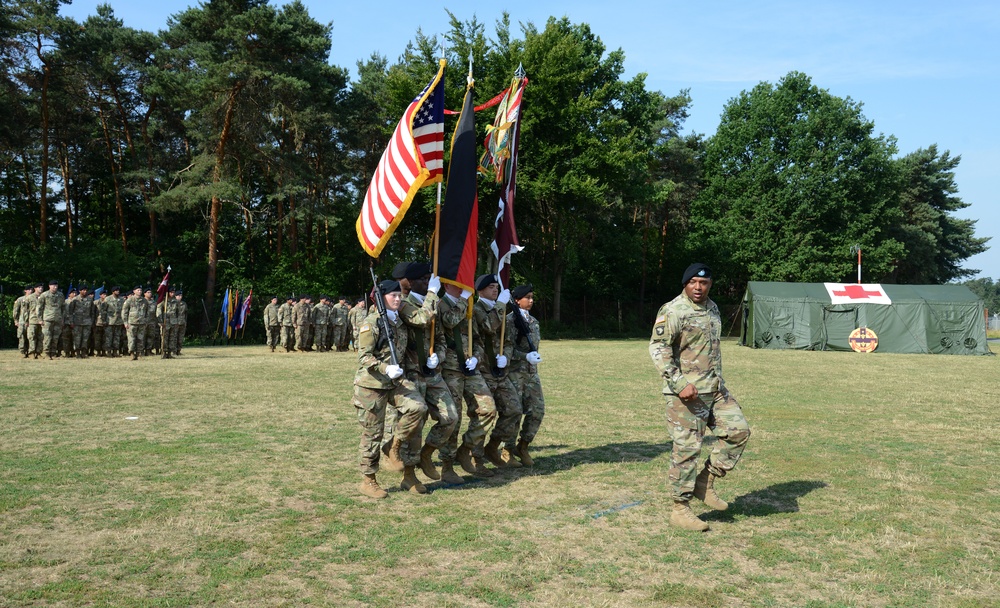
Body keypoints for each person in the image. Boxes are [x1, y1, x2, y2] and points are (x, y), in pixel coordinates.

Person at [649, 263, 751, 532]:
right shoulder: (673, 310)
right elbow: (658, 348)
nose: (698, 287)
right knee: (686, 451)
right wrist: (679, 382)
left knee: (738, 431)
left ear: (710, 285)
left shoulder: (713, 308)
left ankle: (706, 481)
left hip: (715, 389)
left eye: (703, 283)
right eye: (693, 282)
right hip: (686, 395)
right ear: (685, 283)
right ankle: (680, 509)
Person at [352, 279, 428, 498]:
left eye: (399, 295)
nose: (397, 299)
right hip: (372, 384)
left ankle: (394, 447)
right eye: (392, 296)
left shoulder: (400, 322)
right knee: (372, 434)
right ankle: (368, 480)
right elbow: (364, 357)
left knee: (418, 408)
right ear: (381, 298)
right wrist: (385, 368)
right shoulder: (372, 322)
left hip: (396, 382)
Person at [439, 282, 499, 478]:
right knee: (453, 418)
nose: (464, 288)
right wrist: (464, 300)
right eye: (459, 285)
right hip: (450, 369)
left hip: (470, 369)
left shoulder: (468, 308)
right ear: (447, 286)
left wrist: (477, 357)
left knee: (488, 409)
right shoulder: (441, 305)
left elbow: (478, 339)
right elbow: (449, 321)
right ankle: (447, 465)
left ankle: (467, 449)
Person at [472, 274, 523, 469]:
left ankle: (492, 447)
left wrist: (506, 357)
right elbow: (487, 326)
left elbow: (508, 340)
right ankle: (474, 457)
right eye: (491, 287)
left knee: (514, 409)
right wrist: (501, 306)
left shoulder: (498, 309)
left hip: (500, 372)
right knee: (484, 414)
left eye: (497, 286)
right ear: (480, 290)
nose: (495, 290)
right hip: (483, 371)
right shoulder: (476, 309)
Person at [503, 284, 545, 467]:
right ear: (517, 300)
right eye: (527, 297)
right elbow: (506, 351)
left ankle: (524, 445)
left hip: (531, 374)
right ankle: (507, 450)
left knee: (537, 411)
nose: (531, 301)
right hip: (514, 373)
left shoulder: (534, 322)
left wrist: (533, 357)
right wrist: (524, 356)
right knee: (515, 413)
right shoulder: (510, 321)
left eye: (532, 297)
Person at [36, 280, 66, 360]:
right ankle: (46, 353)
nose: (55, 287)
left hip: (58, 319)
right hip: (47, 319)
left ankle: (53, 353)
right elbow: (39, 308)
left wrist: (63, 319)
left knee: (55, 337)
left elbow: (63, 307)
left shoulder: (60, 295)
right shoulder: (44, 295)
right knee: (47, 337)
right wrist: (40, 319)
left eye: (56, 286)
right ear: (49, 286)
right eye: (53, 286)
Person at [121, 286, 147, 360]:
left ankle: (139, 353)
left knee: (140, 339)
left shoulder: (144, 301)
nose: (140, 291)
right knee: (131, 339)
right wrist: (125, 322)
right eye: (138, 290)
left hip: (141, 323)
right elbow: (124, 312)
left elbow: (147, 312)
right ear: (134, 291)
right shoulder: (129, 300)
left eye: (140, 290)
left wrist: (146, 321)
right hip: (132, 323)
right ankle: (132, 353)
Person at [70, 285, 96, 358]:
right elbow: (70, 312)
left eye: (86, 290)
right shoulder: (75, 299)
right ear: (80, 291)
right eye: (83, 290)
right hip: (77, 322)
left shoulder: (90, 300)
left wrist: (92, 321)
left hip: (87, 322)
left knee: (85, 338)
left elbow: (92, 312)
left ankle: (84, 352)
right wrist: (71, 322)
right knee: (77, 338)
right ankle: (77, 352)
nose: (85, 291)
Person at [104, 286, 125, 357]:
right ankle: (108, 352)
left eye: (118, 290)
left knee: (117, 337)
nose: (118, 291)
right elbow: (103, 310)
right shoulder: (107, 299)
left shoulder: (121, 299)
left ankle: (115, 351)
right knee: (109, 337)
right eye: (116, 290)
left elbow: (124, 310)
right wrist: (104, 320)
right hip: (109, 321)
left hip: (119, 321)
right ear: (113, 291)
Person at [13, 286, 32, 358]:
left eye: (31, 289)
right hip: (22, 321)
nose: (30, 291)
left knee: (30, 337)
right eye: (29, 290)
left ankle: (30, 351)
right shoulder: (20, 299)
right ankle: (23, 352)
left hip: (31, 321)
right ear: (25, 291)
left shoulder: (33, 299)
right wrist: (16, 320)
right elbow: (16, 310)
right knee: (22, 337)